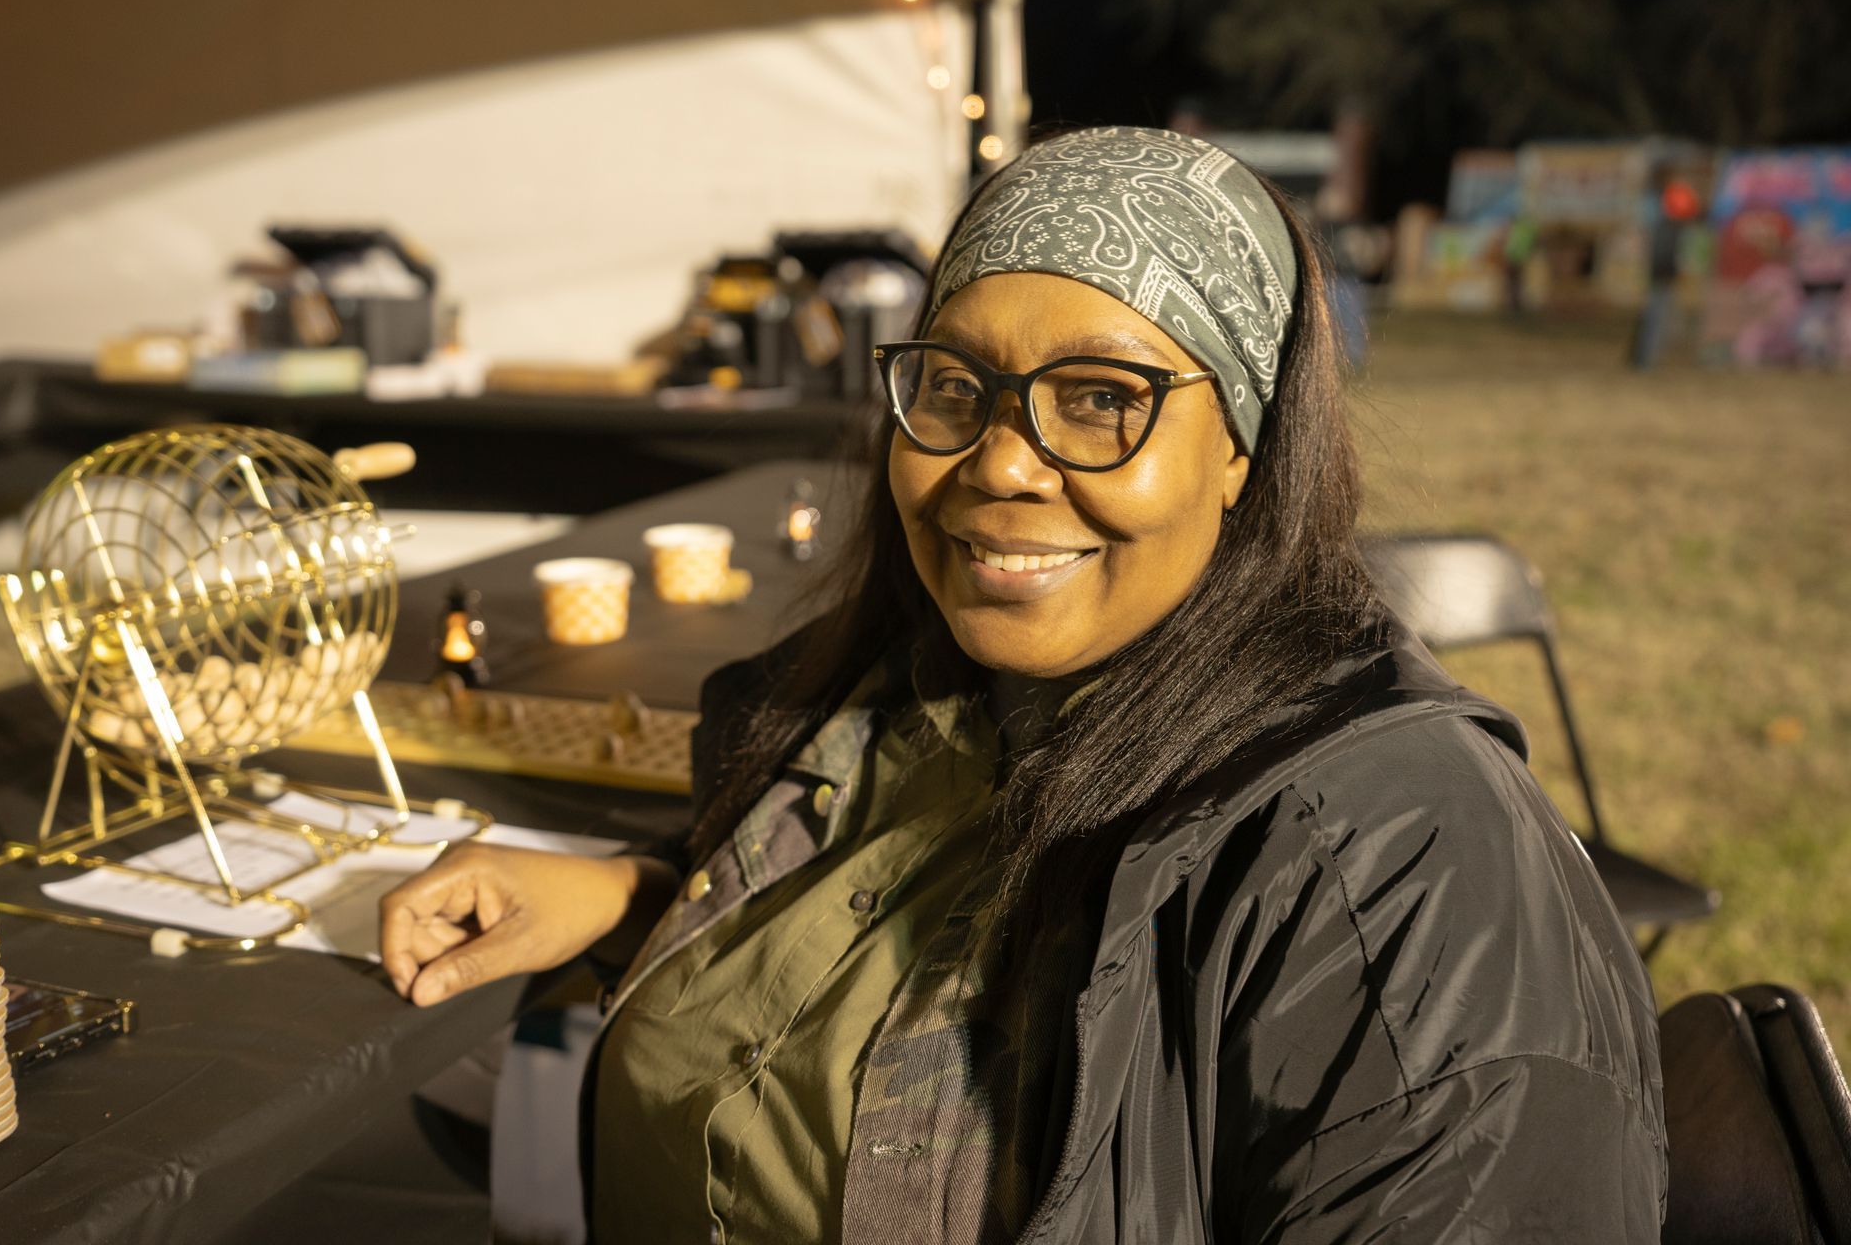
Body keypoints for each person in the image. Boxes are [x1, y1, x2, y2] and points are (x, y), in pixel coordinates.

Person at [381, 126, 1666, 1242]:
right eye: (957, 386)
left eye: (1102, 398)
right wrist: (641, 895)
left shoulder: (1403, 877)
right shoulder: (912, 696)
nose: (1000, 462)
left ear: (1246, 448)